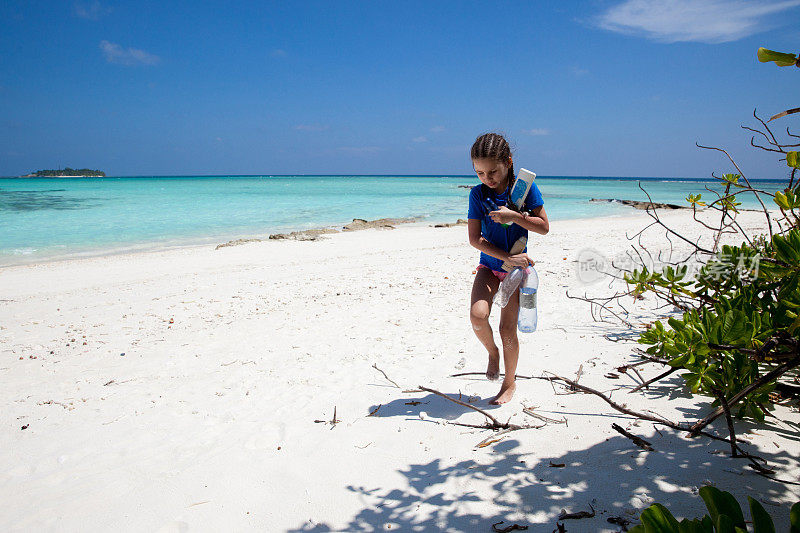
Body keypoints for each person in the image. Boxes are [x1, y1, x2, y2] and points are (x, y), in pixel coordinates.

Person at [467, 132, 549, 404]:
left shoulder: (525, 191)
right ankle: (493, 353)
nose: (487, 178)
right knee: (478, 316)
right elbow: (474, 239)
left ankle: (509, 383)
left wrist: (514, 216)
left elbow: (544, 227)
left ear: (508, 162)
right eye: (479, 172)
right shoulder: (478, 195)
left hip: (516, 272)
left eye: (493, 171)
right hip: (491, 266)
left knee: (507, 329)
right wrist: (505, 257)